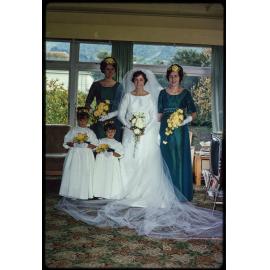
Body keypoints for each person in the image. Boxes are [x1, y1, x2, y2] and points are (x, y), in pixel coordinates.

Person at [57, 70, 223, 240]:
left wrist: (143, 127)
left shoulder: (151, 96)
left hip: (146, 134)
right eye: (136, 80)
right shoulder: (128, 96)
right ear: (133, 82)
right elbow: (121, 114)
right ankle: (127, 192)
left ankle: (145, 192)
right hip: (130, 133)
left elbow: (154, 116)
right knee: (130, 161)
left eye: (141, 80)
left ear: (145, 81)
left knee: (146, 161)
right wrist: (131, 126)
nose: (139, 83)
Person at [158, 64, 197, 201]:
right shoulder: (162, 93)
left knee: (179, 159)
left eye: (176, 76)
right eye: (171, 76)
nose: (173, 79)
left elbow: (194, 113)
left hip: (180, 131)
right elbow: (159, 115)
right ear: (168, 78)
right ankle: (166, 193)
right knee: (166, 158)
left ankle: (180, 192)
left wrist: (184, 121)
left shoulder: (186, 93)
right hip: (165, 130)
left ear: (180, 78)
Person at [59, 107, 99, 200]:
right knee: (74, 172)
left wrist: (87, 145)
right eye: (80, 121)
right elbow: (66, 142)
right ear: (78, 120)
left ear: (87, 120)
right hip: (75, 154)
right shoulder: (73, 130)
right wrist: (73, 143)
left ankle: (85, 192)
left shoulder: (90, 132)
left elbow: (95, 144)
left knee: (85, 172)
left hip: (86, 155)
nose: (82, 123)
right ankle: (73, 192)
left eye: (84, 120)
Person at [85, 56, 123, 142]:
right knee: (98, 144)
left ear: (115, 70)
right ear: (103, 70)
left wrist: (112, 114)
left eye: (112, 69)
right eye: (107, 69)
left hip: (114, 122)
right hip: (99, 121)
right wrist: (93, 113)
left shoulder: (119, 86)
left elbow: (122, 105)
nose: (110, 72)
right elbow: (87, 103)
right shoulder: (96, 85)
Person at [92, 121, 124, 199]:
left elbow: (120, 155)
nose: (110, 133)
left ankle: (109, 193)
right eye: (108, 131)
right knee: (101, 176)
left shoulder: (117, 143)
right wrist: (101, 149)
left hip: (111, 163)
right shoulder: (101, 141)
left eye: (112, 132)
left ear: (115, 132)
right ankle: (100, 193)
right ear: (105, 132)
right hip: (101, 162)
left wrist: (112, 152)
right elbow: (95, 150)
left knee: (109, 177)